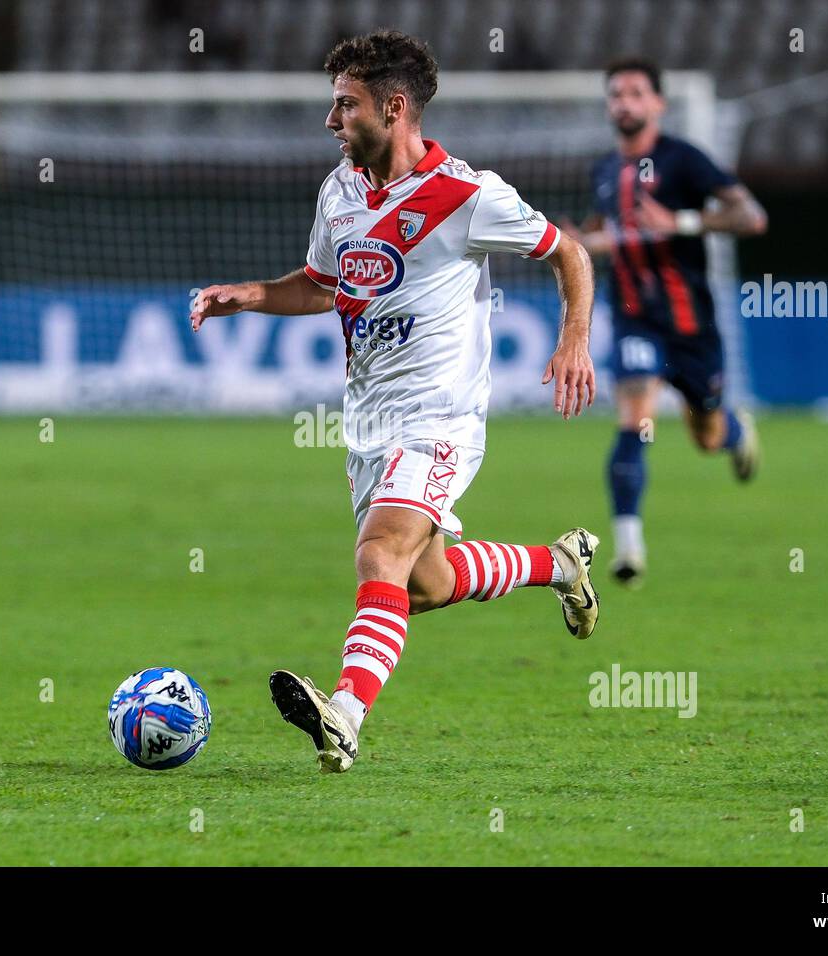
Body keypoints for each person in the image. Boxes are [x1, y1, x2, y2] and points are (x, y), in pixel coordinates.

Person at [190, 31, 600, 774]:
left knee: (378, 553)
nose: (331, 120)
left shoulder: (468, 195)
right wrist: (249, 295)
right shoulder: (340, 191)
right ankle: (560, 563)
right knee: (424, 583)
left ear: (395, 107)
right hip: (368, 424)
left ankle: (343, 717)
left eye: (345, 106)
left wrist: (574, 340)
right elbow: (324, 283)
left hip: (440, 417)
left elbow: (570, 251)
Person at [566, 58, 768, 587]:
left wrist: (681, 221)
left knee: (707, 433)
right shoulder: (604, 170)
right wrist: (582, 242)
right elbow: (606, 230)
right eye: (616, 94)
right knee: (634, 417)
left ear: (657, 103)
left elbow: (752, 217)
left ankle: (735, 433)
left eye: (636, 93)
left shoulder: (685, 160)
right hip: (635, 318)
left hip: (693, 325)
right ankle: (628, 546)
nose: (625, 103)